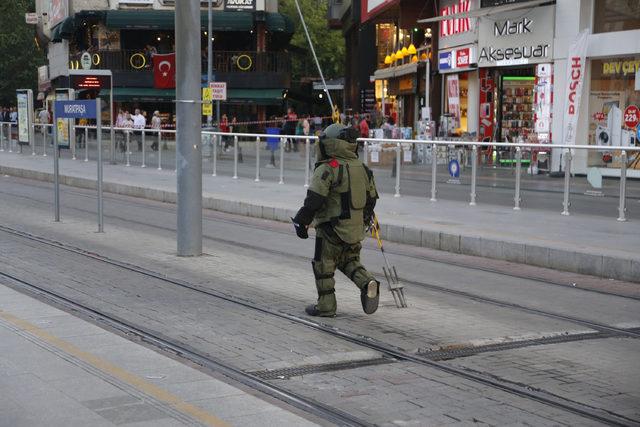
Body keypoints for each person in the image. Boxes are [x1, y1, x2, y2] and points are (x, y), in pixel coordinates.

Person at [291, 123, 380, 317]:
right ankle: (368, 283)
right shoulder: (362, 168)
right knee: (350, 261)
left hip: (331, 229)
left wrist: (301, 222)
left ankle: (326, 306)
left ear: (329, 144)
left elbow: (314, 199)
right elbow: (372, 199)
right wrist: (363, 221)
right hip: (355, 230)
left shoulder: (328, 168)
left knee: (324, 265)